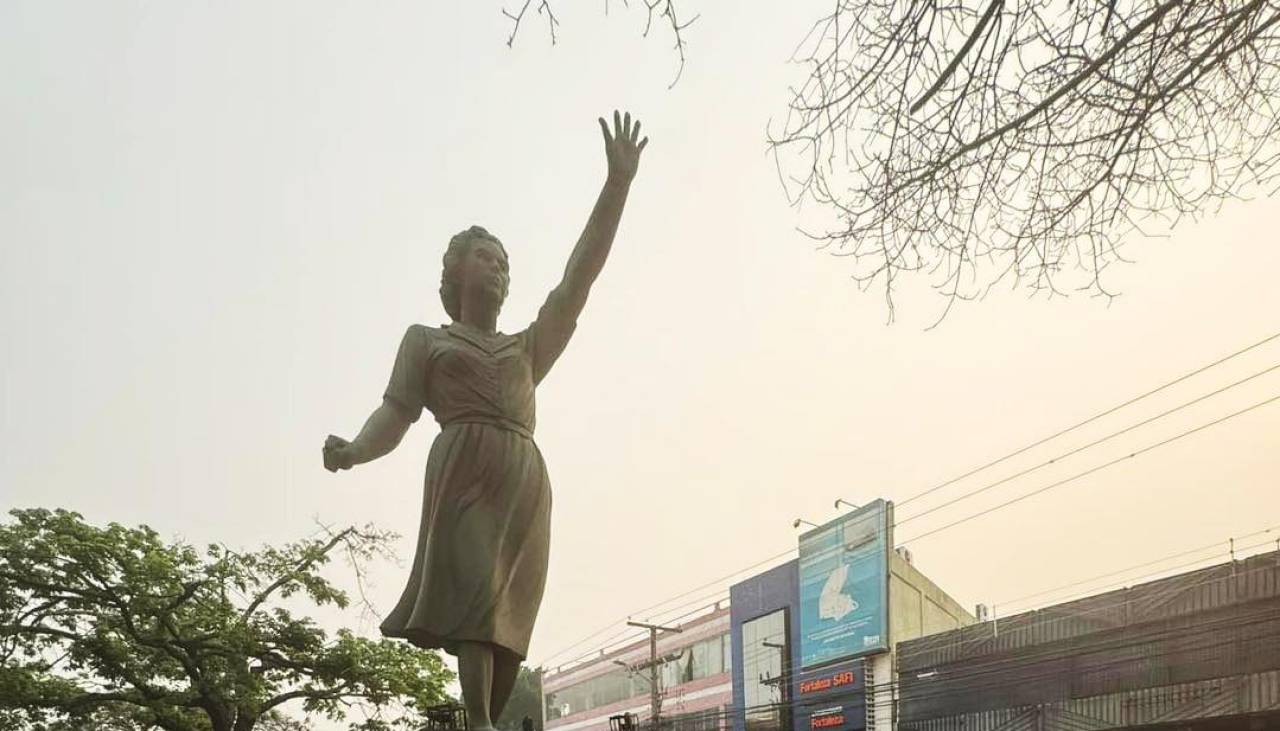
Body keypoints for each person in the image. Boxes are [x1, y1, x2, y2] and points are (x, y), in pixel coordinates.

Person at [323, 111, 648, 731]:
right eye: (483, 257)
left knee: (507, 619)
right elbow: (396, 413)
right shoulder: (427, 340)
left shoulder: (529, 347)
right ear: (454, 274)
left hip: (526, 489)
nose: (497, 268)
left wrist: (617, 185)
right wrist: (355, 451)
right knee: (476, 595)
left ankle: (486, 718)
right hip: (464, 474)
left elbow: (578, 279)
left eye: (503, 261)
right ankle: (476, 718)